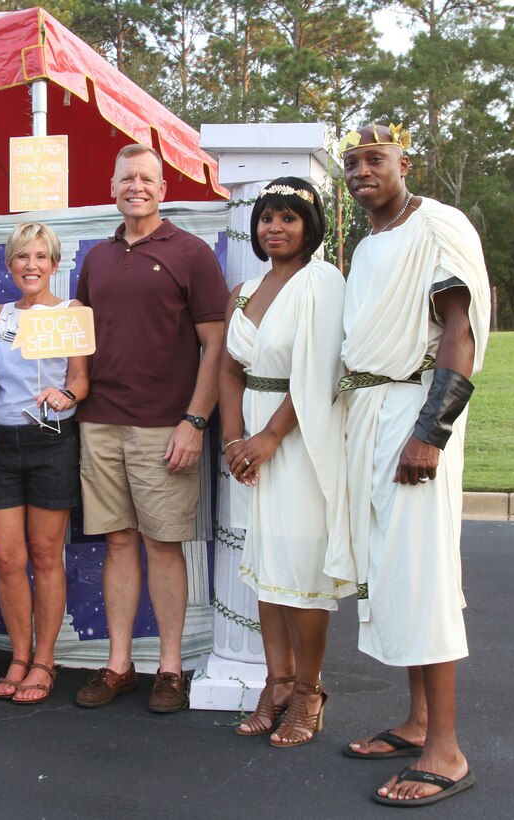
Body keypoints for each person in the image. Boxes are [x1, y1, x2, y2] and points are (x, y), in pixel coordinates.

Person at [336, 124, 490, 806]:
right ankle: (418, 720)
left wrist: (430, 433)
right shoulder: (369, 242)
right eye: (352, 163)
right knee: (394, 571)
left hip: (413, 416)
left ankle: (446, 750)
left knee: (422, 574)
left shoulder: (437, 225)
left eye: (375, 159)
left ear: (404, 163)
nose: (362, 171)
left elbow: (458, 329)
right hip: (372, 417)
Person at [73, 144, 228, 713]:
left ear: (163, 188)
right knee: (117, 542)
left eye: (147, 178)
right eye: (126, 178)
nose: (136, 186)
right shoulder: (94, 258)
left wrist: (195, 420)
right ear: (113, 186)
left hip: (166, 426)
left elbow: (216, 345)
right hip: (100, 424)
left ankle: (169, 667)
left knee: (163, 546)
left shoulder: (192, 254)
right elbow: (80, 344)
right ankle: (119, 666)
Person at [218, 178, 353, 747]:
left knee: (301, 569)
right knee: (270, 567)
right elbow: (229, 369)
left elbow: (322, 371)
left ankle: (308, 691)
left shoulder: (322, 282)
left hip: (300, 439)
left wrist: (270, 436)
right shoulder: (245, 291)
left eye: (288, 219)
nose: (275, 228)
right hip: (250, 442)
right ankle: (276, 683)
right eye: (267, 218)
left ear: (309, 226)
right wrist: (233, 439)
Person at [0, 222, 89, 704]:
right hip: (0, 446)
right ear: (9, 264)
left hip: (51, 441)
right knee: (8, 559)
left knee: (47, 556)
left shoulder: (72, 312)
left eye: (40, 257)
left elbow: (80, 380)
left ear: (54, 264)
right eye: (22, 257)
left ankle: (44, 661)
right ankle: (19, 655)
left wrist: (66, 395)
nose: (31, 265)